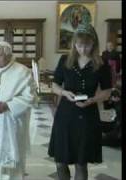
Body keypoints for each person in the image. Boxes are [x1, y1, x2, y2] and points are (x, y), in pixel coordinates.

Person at [48, 23, 112, 180]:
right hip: (65, 115)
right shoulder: (65, 60)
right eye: (79, 45)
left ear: (94, 44)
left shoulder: (101, 64)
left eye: (87, 45)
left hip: (88, 116)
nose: (83, 49)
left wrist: (93, 100)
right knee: (61, 161)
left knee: (81, 162)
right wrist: (64, 92)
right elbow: (54, 85)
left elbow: (107, 91)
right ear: (74, 44)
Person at [0, 41, 36, 180]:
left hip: (12, 123)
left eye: (0, 55)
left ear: (9, 56)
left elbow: (30, 97)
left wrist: (8, 105)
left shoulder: (22, 71)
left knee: (13, 160)